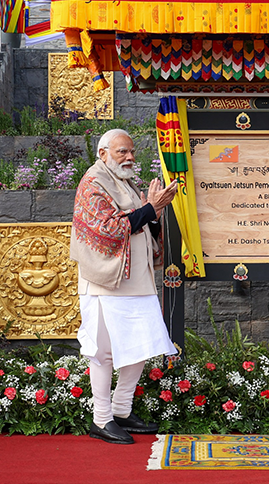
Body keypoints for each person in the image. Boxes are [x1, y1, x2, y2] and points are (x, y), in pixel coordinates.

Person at [71, 128, 179, 445]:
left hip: (136, 281)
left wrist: (153, 210)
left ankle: (121, 409)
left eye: (131, 152)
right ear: (103, 153)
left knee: (141, 346)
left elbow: (138, 224)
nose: (130, 157)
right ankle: (101, 419)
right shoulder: (93, 183)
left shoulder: (124, 182)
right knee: (103, 352)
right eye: (122, 152)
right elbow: (107, 230)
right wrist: (149, 209)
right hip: (106, 283)